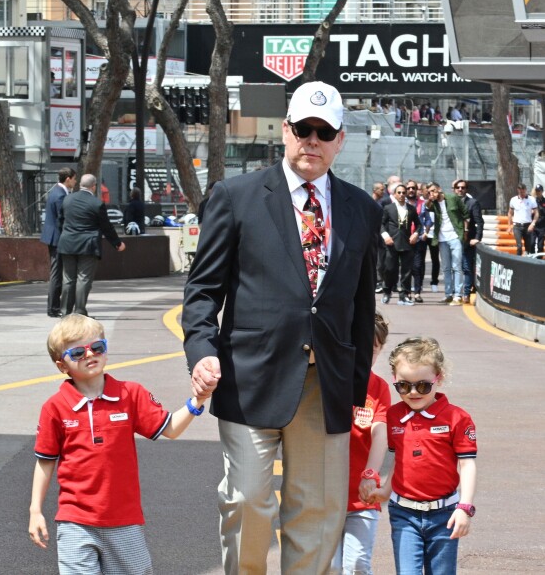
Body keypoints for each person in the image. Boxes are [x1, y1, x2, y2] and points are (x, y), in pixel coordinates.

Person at [182, 81, 382, 574]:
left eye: (325, 131)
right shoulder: (235, 196)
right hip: (249, 377)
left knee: (318, 512)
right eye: (303, 129)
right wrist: (202, 350)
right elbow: (202, 291)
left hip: (326, 383)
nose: (311, 140)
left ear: (340, 140)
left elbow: (361, 305)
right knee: (249, 499)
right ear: (285, 131)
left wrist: (354, 387)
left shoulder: (362, 209)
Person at [28, 314, 216, 573]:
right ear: (62, 365)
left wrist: (197, 401)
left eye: (97, 347)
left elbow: (169, 428)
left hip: (124, 520)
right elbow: (45, 462)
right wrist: (35, 510)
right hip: (75, 521)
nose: (90, 355)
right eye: (78, 352)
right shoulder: (55, 408)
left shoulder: (130, 394)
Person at [366, 336, 477, 575]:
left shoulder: (458, 418)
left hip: (445, 515)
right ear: (395, 380)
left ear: (440, 378)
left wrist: (464, 507)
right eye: (404, 386)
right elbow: (399, 459)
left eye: (423, 385)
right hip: (403, 514)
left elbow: (467, 465)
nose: (413, 392)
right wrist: (386, 490)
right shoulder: (394, 416)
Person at [331, 312, 391, 575]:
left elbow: (380, 433)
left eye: (373, 350)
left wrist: (370, 473)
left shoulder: (378, 388)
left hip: (361, 496)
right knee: (329, 567)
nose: (365, 355)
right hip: (325, 496)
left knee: (356, 565)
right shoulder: (329, 382)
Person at [57, 174, 125, 316]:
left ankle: (65, 312)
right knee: (83, 279)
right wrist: (117, 244)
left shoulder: (67, 199)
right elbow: (106, 227)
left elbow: (60, 221)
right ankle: (80, 312)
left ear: (80, 184)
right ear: (93, 186)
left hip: (67, 243)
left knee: (68, 279)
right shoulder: (96, 203)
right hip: (87, 245)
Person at [40, 167, 77, 317]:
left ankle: (54, 307)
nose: (75, 181)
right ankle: (53, 308)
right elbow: (62, 218)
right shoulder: (60, 195)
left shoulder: (58, 191)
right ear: (68, 178)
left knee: (57, 272)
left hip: (54, 236)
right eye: (74, 178)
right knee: (56, 273)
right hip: (57, 238)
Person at [426, 182, 469, 306]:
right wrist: (430, 199)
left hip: (455, 235)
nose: (432, 193)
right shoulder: (433, 203)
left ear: (439, 189)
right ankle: (448, 294)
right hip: (442, 238)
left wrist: (465, 230)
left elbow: (465, 213)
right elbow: (426, 207)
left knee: (456, 266)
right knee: (446, 268)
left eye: (434, 190)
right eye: (429, 192)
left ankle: (458, 295)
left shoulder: (452, 198)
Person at [381, 183, 420, 306]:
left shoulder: (411, 208)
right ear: (394, 194)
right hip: (391, 243)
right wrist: (385, 236)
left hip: (407, 243)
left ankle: (404, 295)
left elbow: (419, 224)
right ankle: (387, 292)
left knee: (407, 271)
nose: (402, 195)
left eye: (404, 192)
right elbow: (380, 224)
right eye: (399, 192)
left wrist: (416, 234)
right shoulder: (388, 208)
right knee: (390, 269)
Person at [454, 180, 484, 303]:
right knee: (455, 267)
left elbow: (479, 222)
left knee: (466, 267)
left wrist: (477, 238)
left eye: (463, 187)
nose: (460, 189)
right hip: (452, 239)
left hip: (467, 240)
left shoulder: (473, 203)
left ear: (466, 189)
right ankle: (454, 293)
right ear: (454, 189)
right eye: (458, 187)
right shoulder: (450, 203)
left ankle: (466, 293)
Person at [406, 180, 432, 303]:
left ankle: (417, 292)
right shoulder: (401, 204)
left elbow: (428, 220)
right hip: (404, 240)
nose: (411, 190)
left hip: (419, 239)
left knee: (418, 267)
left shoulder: (422, 204)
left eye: (413, 188)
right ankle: (406, 292)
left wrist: (425, 232)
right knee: (406, 267)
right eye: (409, 188)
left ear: (417, 190)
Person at [508, 183, 538, 255]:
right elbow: (510, 213)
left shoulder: (531, 199)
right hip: (517, 226)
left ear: (526, 190)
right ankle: (518, 262)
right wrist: (509, 225)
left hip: (527, 225)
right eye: (520, 192)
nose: (522, 194)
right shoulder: (513, 200)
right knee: (519, 246)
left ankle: (527, 262)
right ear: (518, 191)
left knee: (528, 246)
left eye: (523, 192)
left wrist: (533, 224)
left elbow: (537, 213)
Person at [532, 184, 545, 255]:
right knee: (531, 243)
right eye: (536, 191)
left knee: (540, 246)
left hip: (542, 227)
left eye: (539, 191)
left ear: (542, 191)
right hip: (534, 226)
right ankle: (531, 259)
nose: (538, 192)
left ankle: (538, 261)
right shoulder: (533, 201)